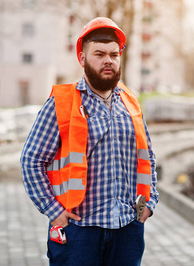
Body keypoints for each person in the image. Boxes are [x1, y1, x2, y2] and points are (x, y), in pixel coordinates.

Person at [21, 17, 159, 266]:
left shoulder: (130, 101)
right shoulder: (61, 104)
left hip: (128, 230)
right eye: (99, 53)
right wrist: (54, 212)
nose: (108, 60)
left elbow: (147, 156)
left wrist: (150, 202)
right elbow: (31, 161)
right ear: (83, 58)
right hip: (80, 232)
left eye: (114, 54)